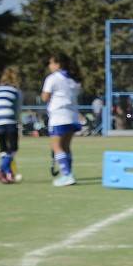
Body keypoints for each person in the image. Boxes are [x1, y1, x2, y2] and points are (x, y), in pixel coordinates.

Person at [42, 54, 83, 187]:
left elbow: (45, 97)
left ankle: (67, 175)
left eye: (51, 63)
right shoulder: (73, 80)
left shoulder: (52, 78)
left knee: (56, 146)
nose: (50, 66)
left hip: (59, 115)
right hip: (72, 115)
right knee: (66, 147)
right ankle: (68, 173)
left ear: (58, 64)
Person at [0, 68, 23, 184]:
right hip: (8, 119)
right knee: (13, 148)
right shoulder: (15, 91)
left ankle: (8, 175)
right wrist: (17, 121)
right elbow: (17, 109)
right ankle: (0, 170)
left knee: (3, 148)